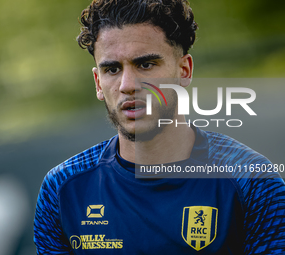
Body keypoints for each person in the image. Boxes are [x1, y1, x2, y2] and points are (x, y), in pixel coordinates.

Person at [34, 0, 285, 254]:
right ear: (98, 83)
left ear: (184, 70)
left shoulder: (253, 182)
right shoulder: (62, 189)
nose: (128, 85)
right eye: (112, 69)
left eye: (146, 64)